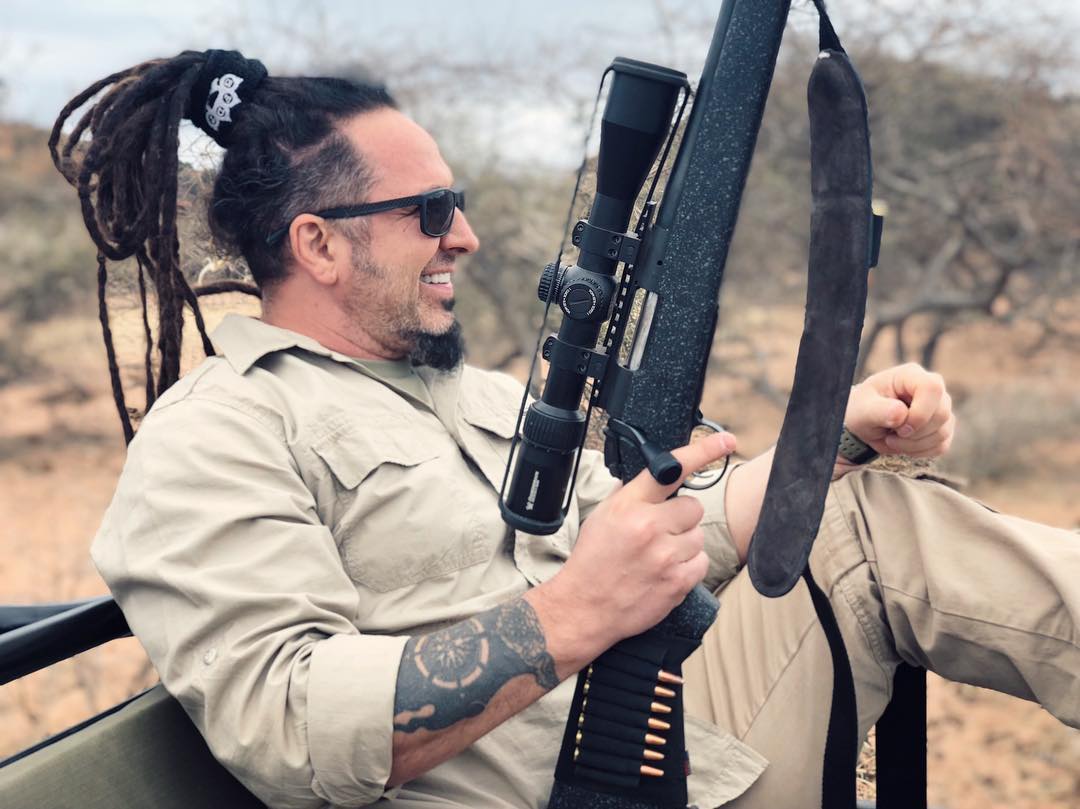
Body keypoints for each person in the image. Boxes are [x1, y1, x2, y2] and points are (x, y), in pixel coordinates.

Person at [54, 51, 1078, 809]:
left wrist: (834, 436)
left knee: (861, 516)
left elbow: (674, 538)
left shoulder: (475, 395)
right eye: (429, 210)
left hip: (659, 743)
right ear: (317, 244)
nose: (465, 235)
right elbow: (285, 721)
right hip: (558, 787)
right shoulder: (217, 434)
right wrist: (572, 612)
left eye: (458, 203)